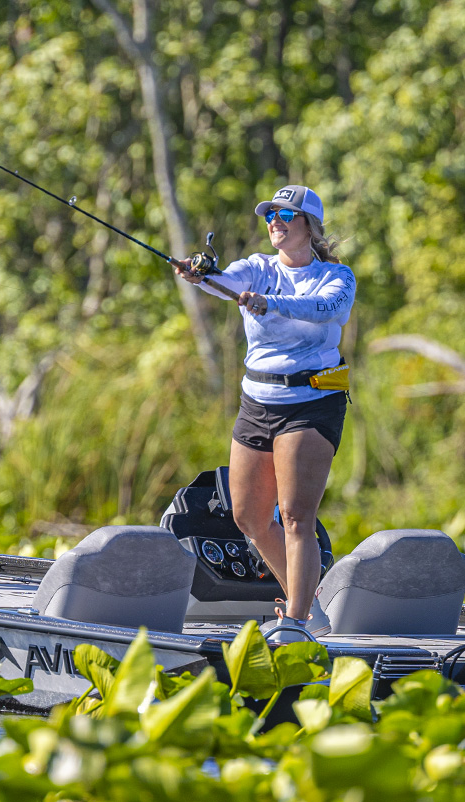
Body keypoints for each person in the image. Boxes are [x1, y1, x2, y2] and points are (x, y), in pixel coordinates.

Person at [173, 185, 354, 640]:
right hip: (258, 402)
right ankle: (308, 602)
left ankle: (295, 622)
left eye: (285, 215)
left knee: (295, 516)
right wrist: (200, 273)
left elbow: (326, 309)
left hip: (311, 403)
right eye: (270, 214)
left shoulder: (336, 276)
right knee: (249, 517)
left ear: (309, 226)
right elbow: (226, 282)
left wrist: (270, 303)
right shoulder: (256, 268)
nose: (275, 221)